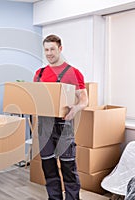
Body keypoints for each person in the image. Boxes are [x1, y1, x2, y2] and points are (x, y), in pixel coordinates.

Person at [33, 34, 88, 200]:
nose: (49, 53)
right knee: (48, 167)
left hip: (64, 124)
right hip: (44, 126)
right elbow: (35, 98)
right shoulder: (39, 73)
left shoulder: (73, 72)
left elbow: (84, 99)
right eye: (46, 50)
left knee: (68, 167)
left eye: (52, 49)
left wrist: (76, 109)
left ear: (60, 49)